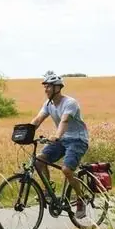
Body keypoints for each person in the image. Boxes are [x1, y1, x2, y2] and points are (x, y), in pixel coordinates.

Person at [28, 72, 90, 218]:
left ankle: (81, 199)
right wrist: (25, 133)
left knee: (67, 170)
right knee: (39, 160)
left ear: (57, 88)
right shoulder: (48, 104)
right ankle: (48, 191)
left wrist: (56, 136)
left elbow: (64, 121)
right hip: (62, 140)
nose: (46, 89)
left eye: (48, 86)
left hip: (77, 140)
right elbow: (37, 120)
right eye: (45, 86)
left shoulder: (70, 103)